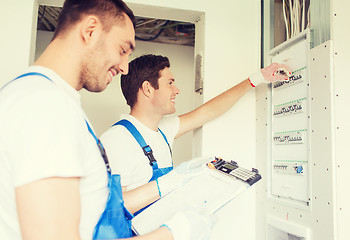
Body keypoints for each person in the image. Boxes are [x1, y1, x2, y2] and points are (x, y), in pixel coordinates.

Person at [0, 1, 209, 240]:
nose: (124, 68)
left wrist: (169, 185)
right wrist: (170, 234)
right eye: (122, 50)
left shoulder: (39, 95)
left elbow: (89, 213)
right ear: (90, 30)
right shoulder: (48, 106)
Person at [100, 54, 291, 206]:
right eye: (170, 83)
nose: (177, 90)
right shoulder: (117, 139)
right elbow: (114, 208)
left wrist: (256, 78)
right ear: (148, 89)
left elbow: (207, 111)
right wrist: (172, 182)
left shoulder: (162, 131)